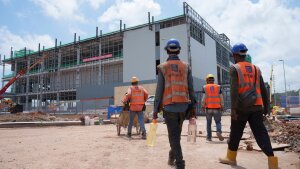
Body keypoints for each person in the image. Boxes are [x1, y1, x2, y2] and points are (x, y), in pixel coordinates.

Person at [218, 43, 278, 169]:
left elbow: (234, 91)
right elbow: (263, 89)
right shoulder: (256, 69)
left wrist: (233, 109)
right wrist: (266, 107)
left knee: (235, 133)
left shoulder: (235, 68)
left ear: (235, 55)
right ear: (244, 54)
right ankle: (273, 162)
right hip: (257, 107)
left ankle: (231, 158)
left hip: (241, 108)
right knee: (261, 134)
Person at [153, 38, 197, 169]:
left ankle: (180, 164)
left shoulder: (163, 67)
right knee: (176, 135)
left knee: (173, 137)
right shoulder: (186, 67)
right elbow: (191, 88)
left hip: (170, 108)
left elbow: (159, 90)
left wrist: (155, 109)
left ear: (167, 50)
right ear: (179, 50)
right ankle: (171, 157)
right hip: (184, 107)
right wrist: (193, 107)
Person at [201, 74, 224, 141]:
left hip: (208, 108)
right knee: (218, 122)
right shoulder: (218, 87)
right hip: (217, 108)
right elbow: (221, 97)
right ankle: (218, 132)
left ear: (207, 80)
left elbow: (203, 98)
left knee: (208, 123)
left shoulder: (205, 87)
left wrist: (203, 106)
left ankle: (209, 137)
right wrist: (222, 105)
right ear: (213, 80)